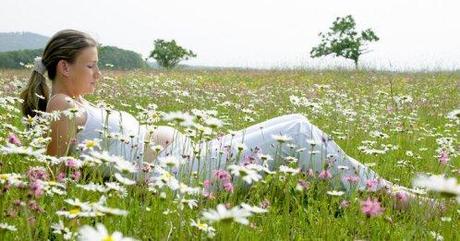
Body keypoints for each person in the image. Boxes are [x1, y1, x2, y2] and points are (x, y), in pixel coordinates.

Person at [20, 29, 413, 196]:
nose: (99, 74)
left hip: (192, 156)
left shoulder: (81, 104)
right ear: (64, 67)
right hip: (184, 173)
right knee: (296, 129)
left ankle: (383, 189)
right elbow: (55, 177)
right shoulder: (61, 105)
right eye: (90, 65)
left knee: (295, 123)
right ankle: (391, 195)